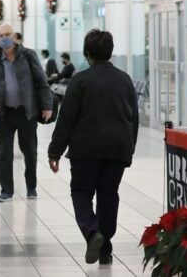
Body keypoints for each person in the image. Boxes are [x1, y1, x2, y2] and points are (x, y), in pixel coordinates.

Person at [48, 29, 138, 266]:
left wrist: (54, 151)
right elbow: (134, 119)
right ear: (110, 52)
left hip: (86, 149)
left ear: (88, 54)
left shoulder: (80, 80)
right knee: (108, 196)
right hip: (118, 149)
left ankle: (92, 233)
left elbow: (66, 119)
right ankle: (105, 250)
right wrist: (129, 149)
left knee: (81, 192)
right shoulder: (125, 79)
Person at [0, 23, 53, 202]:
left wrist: (47, 106)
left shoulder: (28, 56)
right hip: (4, 113)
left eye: (8, 34)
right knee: (5, 152)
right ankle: (6, 191)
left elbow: (42, 81)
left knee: (30, 151)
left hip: (26, 112)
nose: (5, 38)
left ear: (14, 36)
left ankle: (31, 186)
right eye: (1, 36)